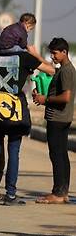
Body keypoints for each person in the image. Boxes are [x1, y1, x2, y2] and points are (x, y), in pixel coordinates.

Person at [0, 39, 55, 205]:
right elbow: (51, 70)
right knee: (14, 151)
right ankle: (10, 194)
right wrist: (35, 55)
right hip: (16, 112)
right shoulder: (25, 58)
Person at [33, 37, 75, 204]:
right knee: (62, 155)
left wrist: (46, 100)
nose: (53, 56)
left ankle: (58, 193)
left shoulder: (67, 71)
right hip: (61, 117)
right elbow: (50, 69)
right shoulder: (63, 69)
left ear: (64, 52)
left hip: (58, 118)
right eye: (51, 53)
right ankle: (63, 192)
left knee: (57, 155)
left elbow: (66, 97)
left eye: (55, 53)